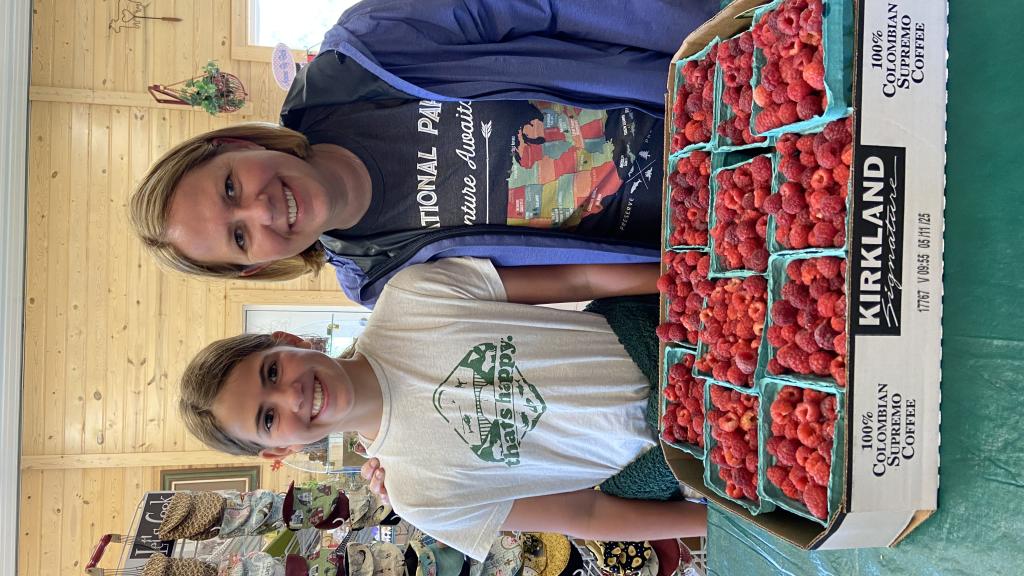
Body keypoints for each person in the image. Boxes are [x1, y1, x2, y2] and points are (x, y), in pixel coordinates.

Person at [129, 0, 722, 306]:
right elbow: (565, 278)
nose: (260, 211)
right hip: (722, 229)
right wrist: (700, 276)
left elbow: (547, 5)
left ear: (236, 144)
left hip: (724, 87)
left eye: (230, 186)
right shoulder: (381, 282)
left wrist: (718, 36)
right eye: (239, 238)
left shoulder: (364, 51)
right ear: (254, 266)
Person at [178, 258, 707, 560]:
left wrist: (692, 273)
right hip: (682, 454)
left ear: (288, 339)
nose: (291, 395)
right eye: (268, 418)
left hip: (677, 335)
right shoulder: (417, 498)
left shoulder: (409, 296)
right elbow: (585, 514)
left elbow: (578, 282)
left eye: (272, 371)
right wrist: (708, 523)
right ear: (281, 448)